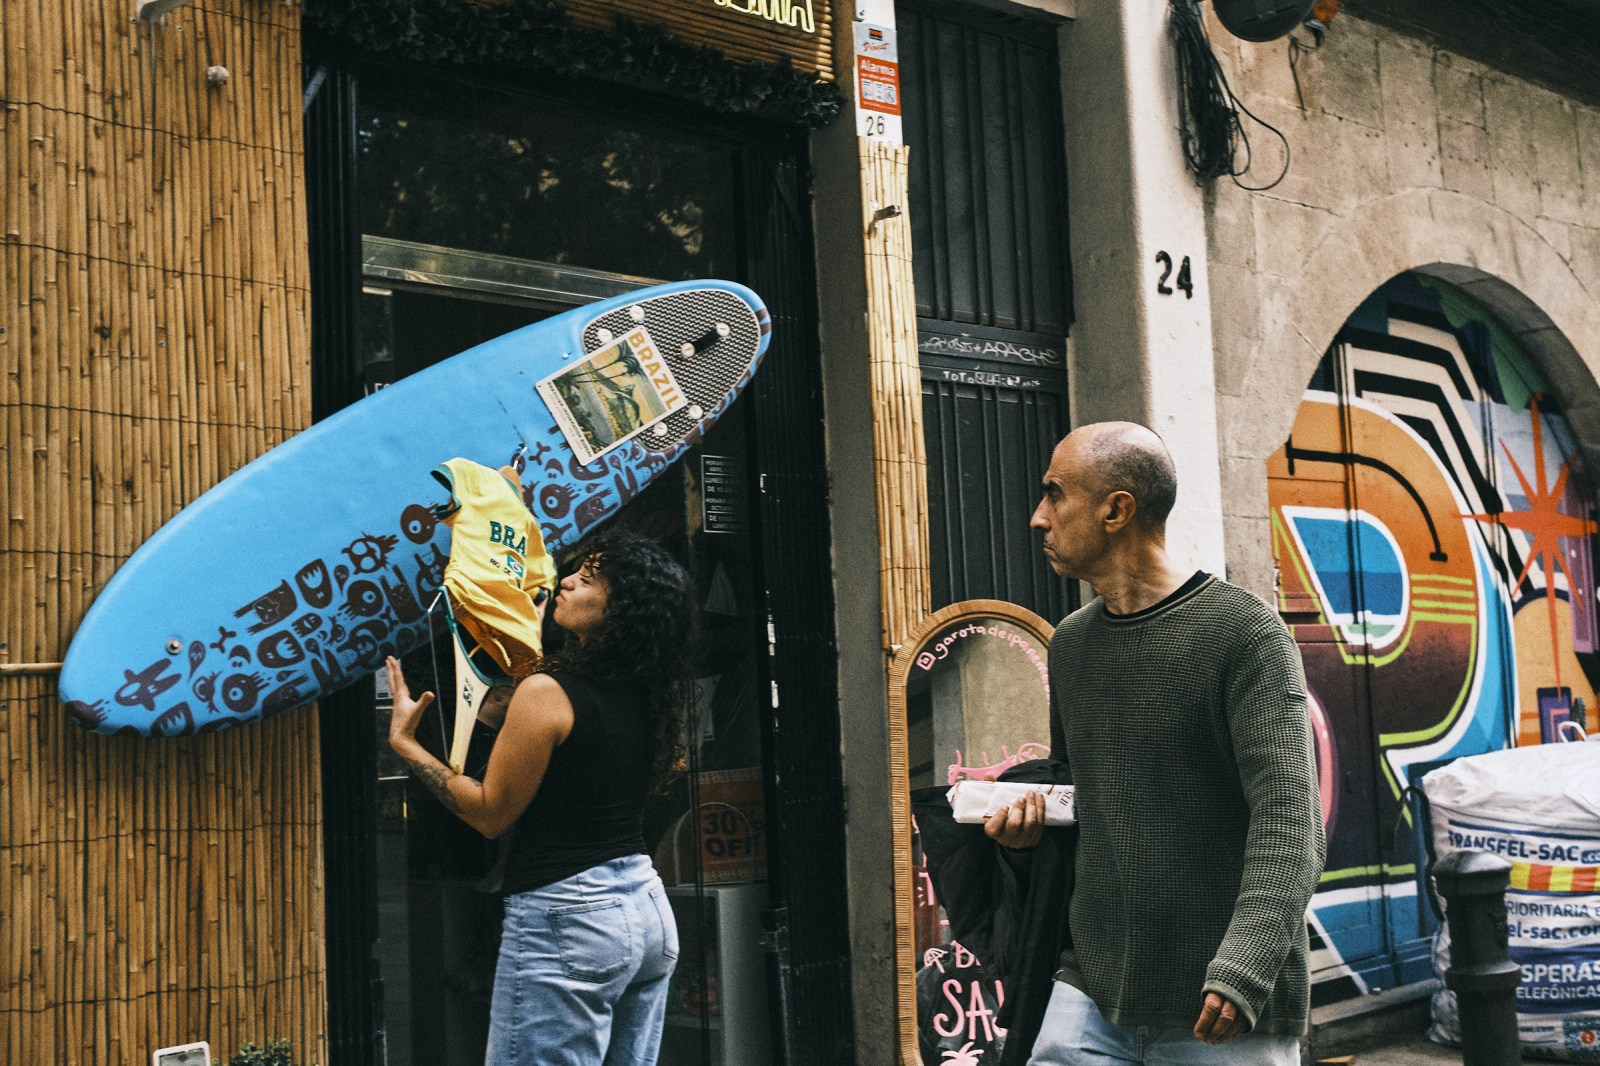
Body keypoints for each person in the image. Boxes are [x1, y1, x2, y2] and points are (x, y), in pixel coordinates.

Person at [985, 422, 1324, 1065]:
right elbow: (1089, 806)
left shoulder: (1244, 633)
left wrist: (1244, 968)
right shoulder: (1072, 646)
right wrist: (1028, 837)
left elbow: (1291, 823)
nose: (1038, 518)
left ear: (1117, 509)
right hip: (1090, 989)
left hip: (1218, 1005)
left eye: (1055, 495)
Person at [386, 528, 697, 1066]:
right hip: (644, 909)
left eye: (589, 578)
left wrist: (405, 745)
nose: (567, 581)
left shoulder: (548, 693)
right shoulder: (650, 690)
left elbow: (489, 813)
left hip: (571, 917)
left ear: (621, 610)